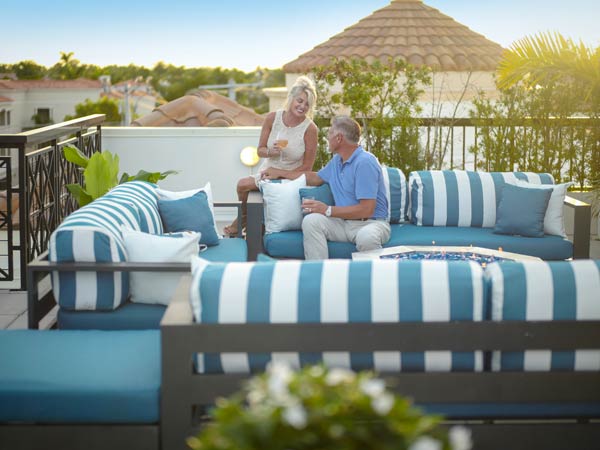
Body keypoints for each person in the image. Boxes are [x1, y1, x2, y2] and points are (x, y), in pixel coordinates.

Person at [263, 115, 391, 260]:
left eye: (330, 133)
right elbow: (315, 178)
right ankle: (319, 273)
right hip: (344, 223)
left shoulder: (365, 163)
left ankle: (369, 280)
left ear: (339, 138)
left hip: (371, 224)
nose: (327, 138)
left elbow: (366, 209)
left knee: (366, 237)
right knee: (312, 221)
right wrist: (278, 173)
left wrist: (327, 209)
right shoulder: (337, 161)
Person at [223, 76, 318, 237]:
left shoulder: (310, 129)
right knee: (242, 185)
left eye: (307, 104)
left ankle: (241, 224)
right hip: (267, 172)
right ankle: (245, 219)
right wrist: (270, 152)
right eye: (300, 101)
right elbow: (259, 150)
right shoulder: (272, 118)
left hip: (290, 177)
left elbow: (307, 168)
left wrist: (280, 174)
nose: (302, 106)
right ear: (291, 98)